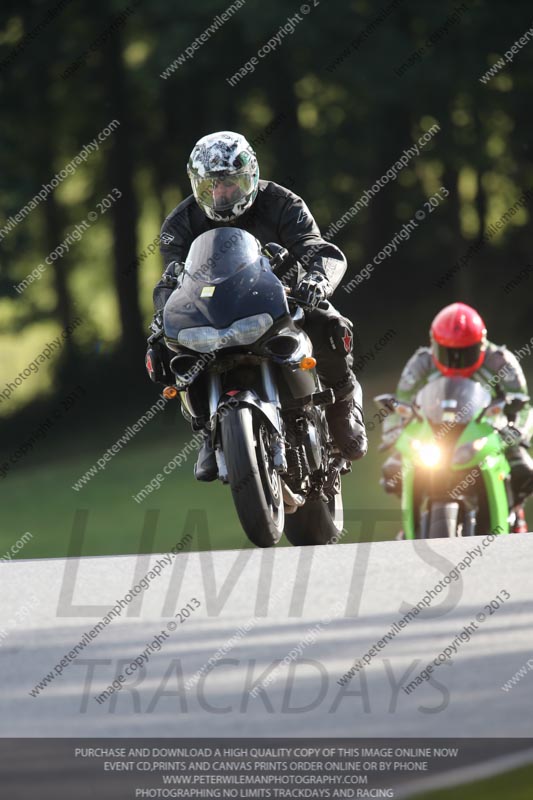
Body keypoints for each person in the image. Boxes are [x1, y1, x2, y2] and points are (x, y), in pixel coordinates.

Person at [147, 130, 367, 480]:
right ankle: (206, 428)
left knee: (330, 323)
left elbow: (317, 248)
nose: (220, 193)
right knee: (163, 351)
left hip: (282, 297)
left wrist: (316, 280)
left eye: (230, 183)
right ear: (197, 186)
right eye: (211, 186)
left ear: (250, 175)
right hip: (211, 311)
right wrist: (163, 312)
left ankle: (343, 406)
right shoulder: (180, 222)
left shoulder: (282, 201)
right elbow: (171, 279)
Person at [380, 302, 533, 506]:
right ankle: (409, 529)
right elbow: (400, 405)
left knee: (524, 471)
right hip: (433, 434)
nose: (456, 359)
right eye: (448, 352)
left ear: (481, 344)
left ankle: (513, 515)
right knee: (393, 471)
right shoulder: (421, 363)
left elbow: (522, 405)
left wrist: (517, 432)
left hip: (489, 434)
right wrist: (393, 432)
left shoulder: (502, 361)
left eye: (465, 352)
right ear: (434, 345)